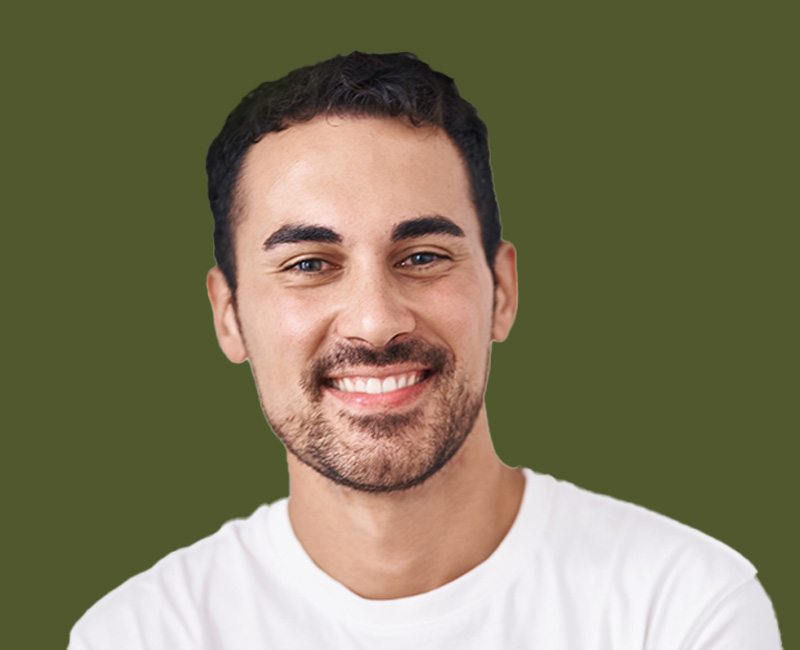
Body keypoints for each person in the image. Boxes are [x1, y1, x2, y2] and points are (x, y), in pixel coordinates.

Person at [68, 52, 782, 649]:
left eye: (422, 256)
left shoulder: (681, 610)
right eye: (309, 264)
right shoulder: (139, 635)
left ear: (501, 290)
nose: (375, 323)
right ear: (229, 316)